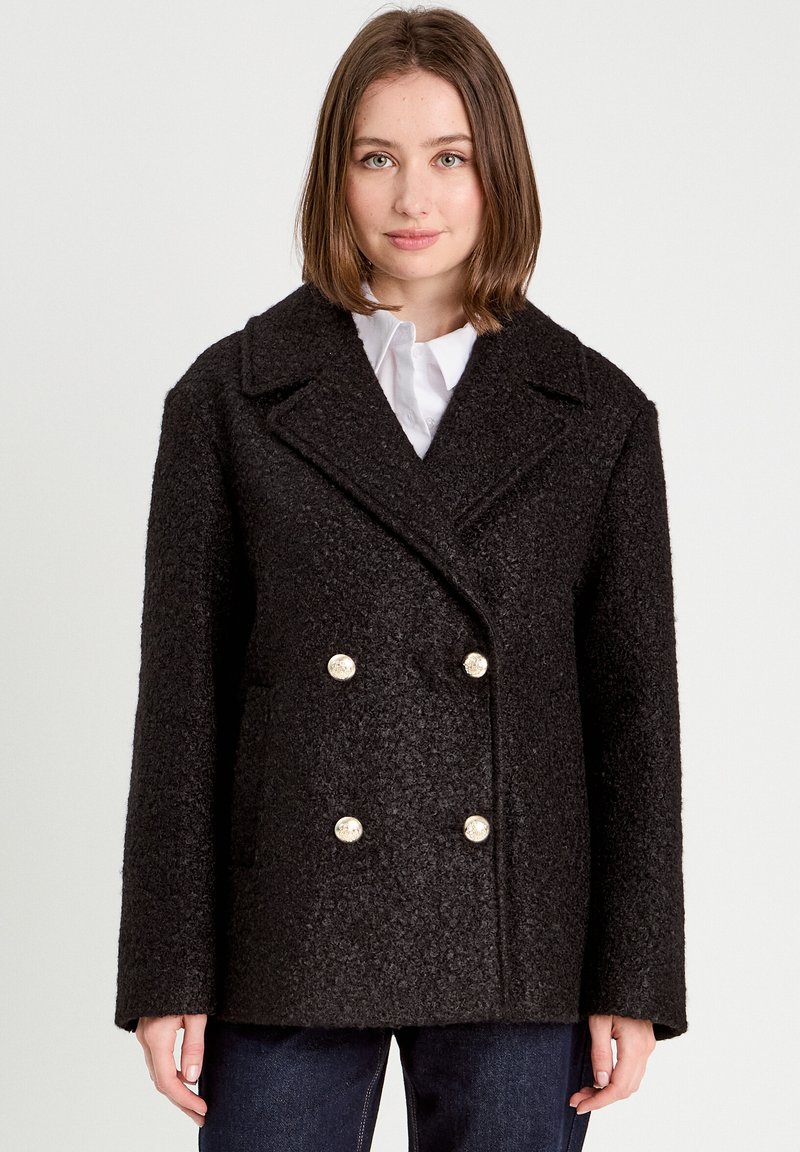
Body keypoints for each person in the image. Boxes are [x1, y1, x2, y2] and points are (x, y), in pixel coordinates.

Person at [114, 6, 687, 1150]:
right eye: (376, 158)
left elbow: (632, 717)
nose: (411, 198)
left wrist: (634, 973)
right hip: (289, 921)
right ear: (334, 175)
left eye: (448, 158)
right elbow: (182, 702)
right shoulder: (228, 400)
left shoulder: (597, 414)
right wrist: (168, 965)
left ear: (497, 173)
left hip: (518, 932)